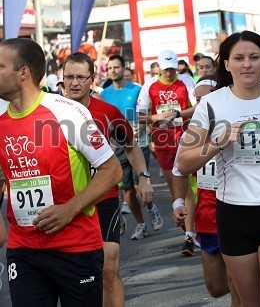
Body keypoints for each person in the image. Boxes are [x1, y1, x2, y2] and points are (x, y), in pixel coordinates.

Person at [177, 30, 260, 306]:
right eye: (239, 58)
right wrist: (217, 144)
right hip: (234, 213)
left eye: (254, 57)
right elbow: (183, 161)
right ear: (226, 63)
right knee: (251, 303)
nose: (246, 64)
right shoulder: (212, 104)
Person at [0, 38, 122, 306]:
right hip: (24, 248)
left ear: (23, 73)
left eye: (0, 66)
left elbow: (111, 170)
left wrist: (70, 208)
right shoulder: (0, 120)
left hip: (74, 246)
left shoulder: (67, 113)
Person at [63, 52, 155, 307]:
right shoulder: (50, 112)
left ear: (92, 79)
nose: (74, 83)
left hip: (102, 198)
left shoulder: (106, 110)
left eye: (81, 77)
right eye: (69, 77)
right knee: (75, 274)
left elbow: (131, 145)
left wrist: (144, 177)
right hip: (65, 203)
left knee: (108, 268)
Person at [172, 76, 241, 306]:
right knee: (216, 287)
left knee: (237, 285)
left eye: (207, 98)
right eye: (198, 99)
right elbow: (179, 171)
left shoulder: (235, 127)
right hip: (207, 216)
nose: (202, 103)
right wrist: (178, 202)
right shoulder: (191, 136)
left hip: (236, 210)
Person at [137, 49, 198, 255]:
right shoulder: (149, 86)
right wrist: (159, 116)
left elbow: (200, 107)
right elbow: (140, 116)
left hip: (186, 138)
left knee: (187, 185)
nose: (170, 73)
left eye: (173, 68)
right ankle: (187, 226)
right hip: (163, 142)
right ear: (160, 68)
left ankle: (189, 235)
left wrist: (178, 113)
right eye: (166, 69)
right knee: (175, 191)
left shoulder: (187, 82)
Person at [101, 55, 163, 240]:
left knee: (139, 186)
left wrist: (141, 130)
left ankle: (151, 209)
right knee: (127, 190)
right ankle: (140, 224)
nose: (113, 70)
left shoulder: (137, 89)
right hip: (117, 146)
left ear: (123, 68)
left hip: (138, 142)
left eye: (116, 67)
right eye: (110, 67)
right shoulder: (104, 94)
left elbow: (145, 114)